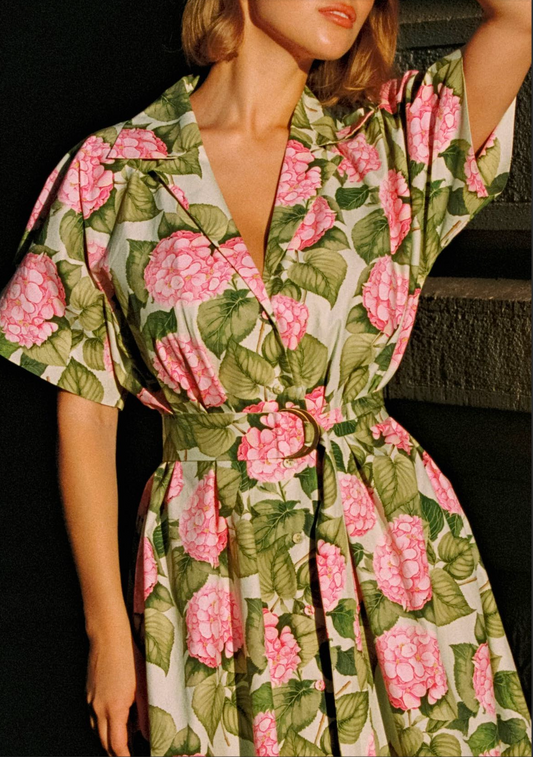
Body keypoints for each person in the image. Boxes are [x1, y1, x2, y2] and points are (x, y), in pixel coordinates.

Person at [0, 0, 531, 755]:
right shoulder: (110, 171)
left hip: (389, 556)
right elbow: (85, 408)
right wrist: (107, 630)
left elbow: (519, 20)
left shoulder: (390, 139)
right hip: (212, 573)